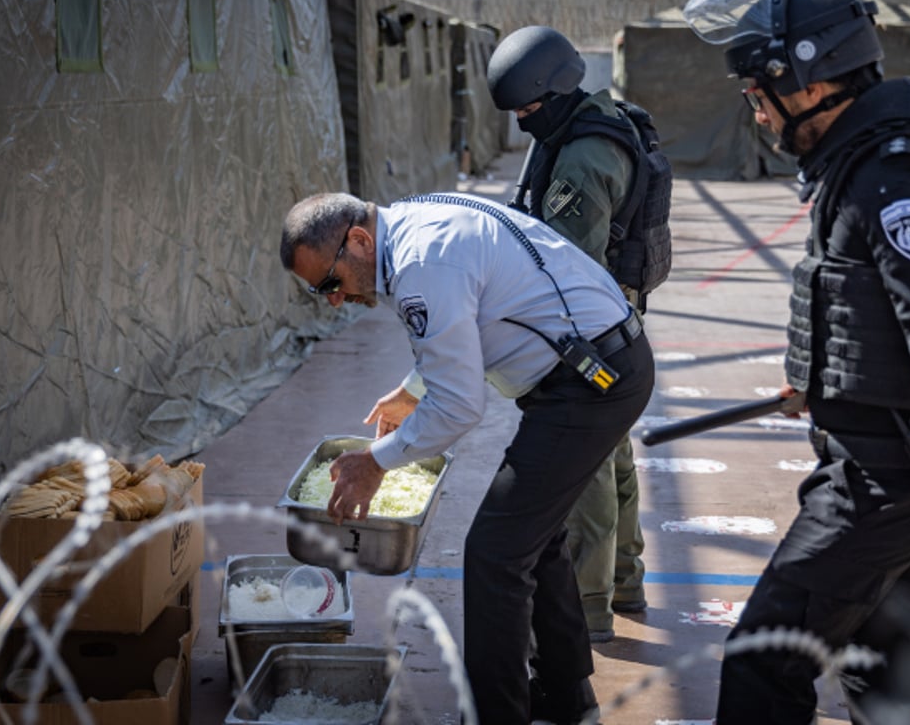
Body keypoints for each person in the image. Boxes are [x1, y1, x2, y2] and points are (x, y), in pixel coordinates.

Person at [683, 0, 910, 723]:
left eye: (758, 95)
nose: (756, 114)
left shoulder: (897, 176)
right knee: (881, 667)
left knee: (763, 661)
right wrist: (823, 382)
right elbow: (872, 307)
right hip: (880, 458)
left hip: (885, 480)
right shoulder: (867, 162)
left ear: (811, 82)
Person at [279, 191, 655, 725]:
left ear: (358, 241)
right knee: (532, 536)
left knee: (494, 553)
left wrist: (375, 462)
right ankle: (567, 696)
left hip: (593, 383)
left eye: (330, 283)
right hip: (593, 365)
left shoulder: (419, 265)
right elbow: (464, 321)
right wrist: (413, 389)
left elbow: (458, 407)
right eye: (321, 292)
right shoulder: (412, 225)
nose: (334, 299)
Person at [485, 25, 652, 642]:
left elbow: (564, 269)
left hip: (588, 334)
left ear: (555, 90)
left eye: (530, 108)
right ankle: (627, 582)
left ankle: (587, 608)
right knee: (617, 453)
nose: (526, 121)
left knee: (585, 467)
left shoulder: (581, 161)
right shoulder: (588, 121)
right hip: (617, 320)